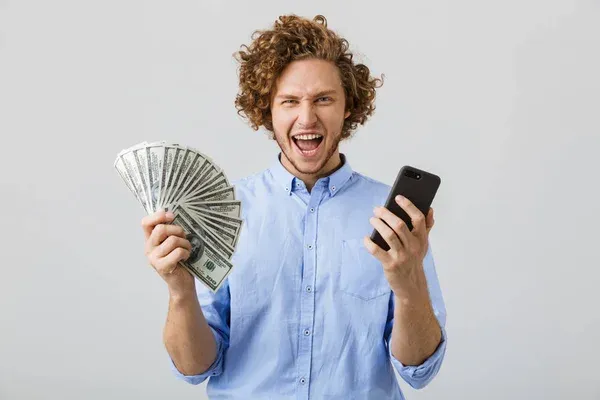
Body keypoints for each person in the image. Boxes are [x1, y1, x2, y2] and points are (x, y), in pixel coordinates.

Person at [141, 14, 447, 400]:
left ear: (348, 107)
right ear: (266, 110)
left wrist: (408, 289)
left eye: (323, 99)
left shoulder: (393, 218)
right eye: (289, 101)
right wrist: (181, 291)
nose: (307, 117)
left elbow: (420, 369)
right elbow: (194, 367)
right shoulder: (224, 211)